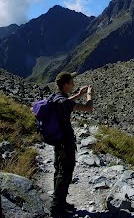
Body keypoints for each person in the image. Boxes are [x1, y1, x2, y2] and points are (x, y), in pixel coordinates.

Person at [48, 72, 95, 217]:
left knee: (59, 169)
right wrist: (89, 95)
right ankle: (56, 207)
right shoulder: (64, 102)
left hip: (58, 141)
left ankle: (61, 202)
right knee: (65, 172)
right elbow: (88, 108)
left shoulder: (56, 97)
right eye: (72, 82)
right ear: (65, 84)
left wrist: (78, 94)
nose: (74, 84)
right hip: (65, 141)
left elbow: (67, 101)